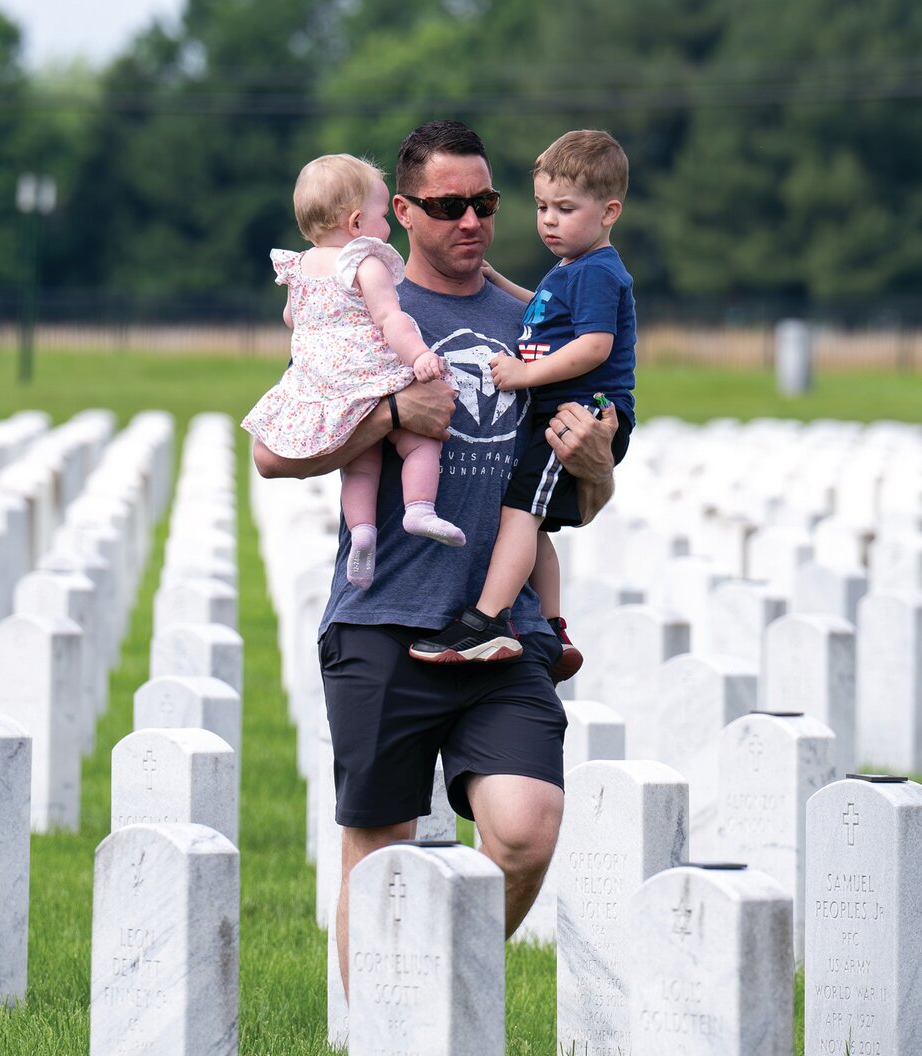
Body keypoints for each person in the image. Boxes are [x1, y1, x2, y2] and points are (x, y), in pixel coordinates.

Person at [251, 119, 621, 995]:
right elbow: (271, 454)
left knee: (528, 827)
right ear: (401, 213)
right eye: (450, 206)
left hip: (498, 628)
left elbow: (573, 500)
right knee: (379, 852)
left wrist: (597, 471)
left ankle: (436, 995)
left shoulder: (536, 317)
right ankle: (392, 1030)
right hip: (382, 621)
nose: (473, 222)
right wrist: (389, 419)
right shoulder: (359, 309)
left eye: (485, 204)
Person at [409, 130, 636, 677]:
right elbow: (545, 311)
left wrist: (524, 373)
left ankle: (486, 621)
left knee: (518, 511)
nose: (549, 221)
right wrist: (498, 281)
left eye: (565, 208)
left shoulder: (600, 271)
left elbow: (593, 346)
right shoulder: (572, 271)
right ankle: (554, 629)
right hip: (563, 415)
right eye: (540, 207)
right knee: (530, 526)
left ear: (609, 212)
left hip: (578, 415)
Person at [241, 154, 465, 593]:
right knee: (420, 439)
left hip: (325, 387)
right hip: (372, 376)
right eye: (384, 216)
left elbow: (292, 318)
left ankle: (363, 531)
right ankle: (419, 508)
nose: (388, 228)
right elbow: (391, 319)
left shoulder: (299, 268)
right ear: (359, 223)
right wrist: (419, 356)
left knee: (359, 465)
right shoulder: (365, 261)